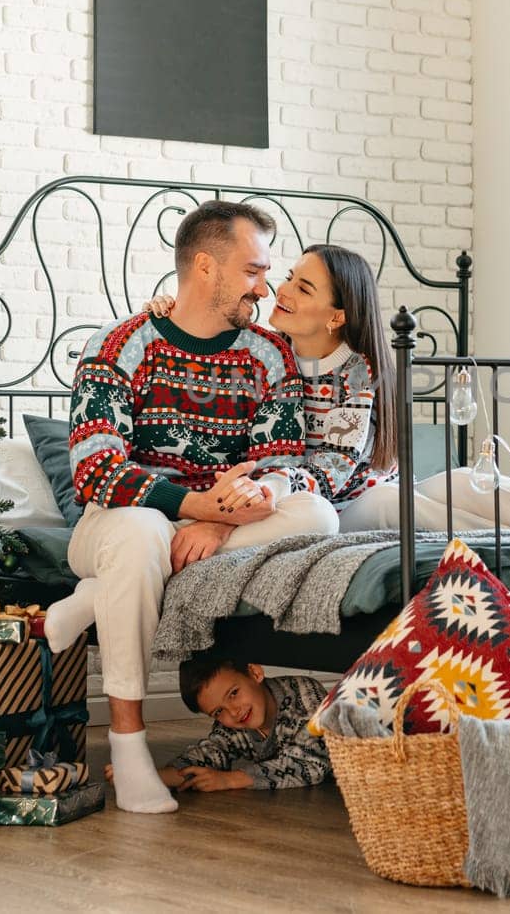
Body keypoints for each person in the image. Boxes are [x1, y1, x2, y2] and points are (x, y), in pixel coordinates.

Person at [44, 200, 339, 814]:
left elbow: (282, 460)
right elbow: (96, 470)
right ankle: (128, 749)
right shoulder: (119, 346)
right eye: (255, 271)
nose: (267, 287)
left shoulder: (268, 354)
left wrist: (220, 512)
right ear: (206, 267)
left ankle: (100, 597)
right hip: (115, 522)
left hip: (220, 520)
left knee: (320, 517)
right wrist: (192, 502)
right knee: (141, 533)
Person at [145, 243, 510, 533]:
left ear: (337, 317)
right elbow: (206, 327)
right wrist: (170, 305)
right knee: (392, 503)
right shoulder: (269, 353)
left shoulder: (360, 371)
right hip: (327, 507)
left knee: (460, 480)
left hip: (353, 490)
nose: (282, 290)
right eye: (289, 277)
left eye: (302, 287)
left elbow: (335, 465)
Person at [159, 657, 331, 792]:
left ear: (255, 672)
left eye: (233, 693)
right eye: (218, 712)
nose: (233, 712)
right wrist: (155, 778)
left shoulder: (306, 697)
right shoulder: (235, 725)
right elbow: (211, 752)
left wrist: (230, 779)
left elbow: (312, 764)